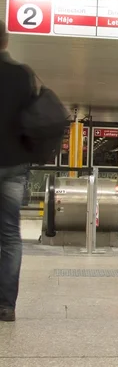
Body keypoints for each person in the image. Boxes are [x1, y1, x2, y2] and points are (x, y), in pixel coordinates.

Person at [0, 20, 37, 321]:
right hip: (13, 164)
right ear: (6, 40)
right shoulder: (23, 75)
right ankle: (6, 306)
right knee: (10, 236)